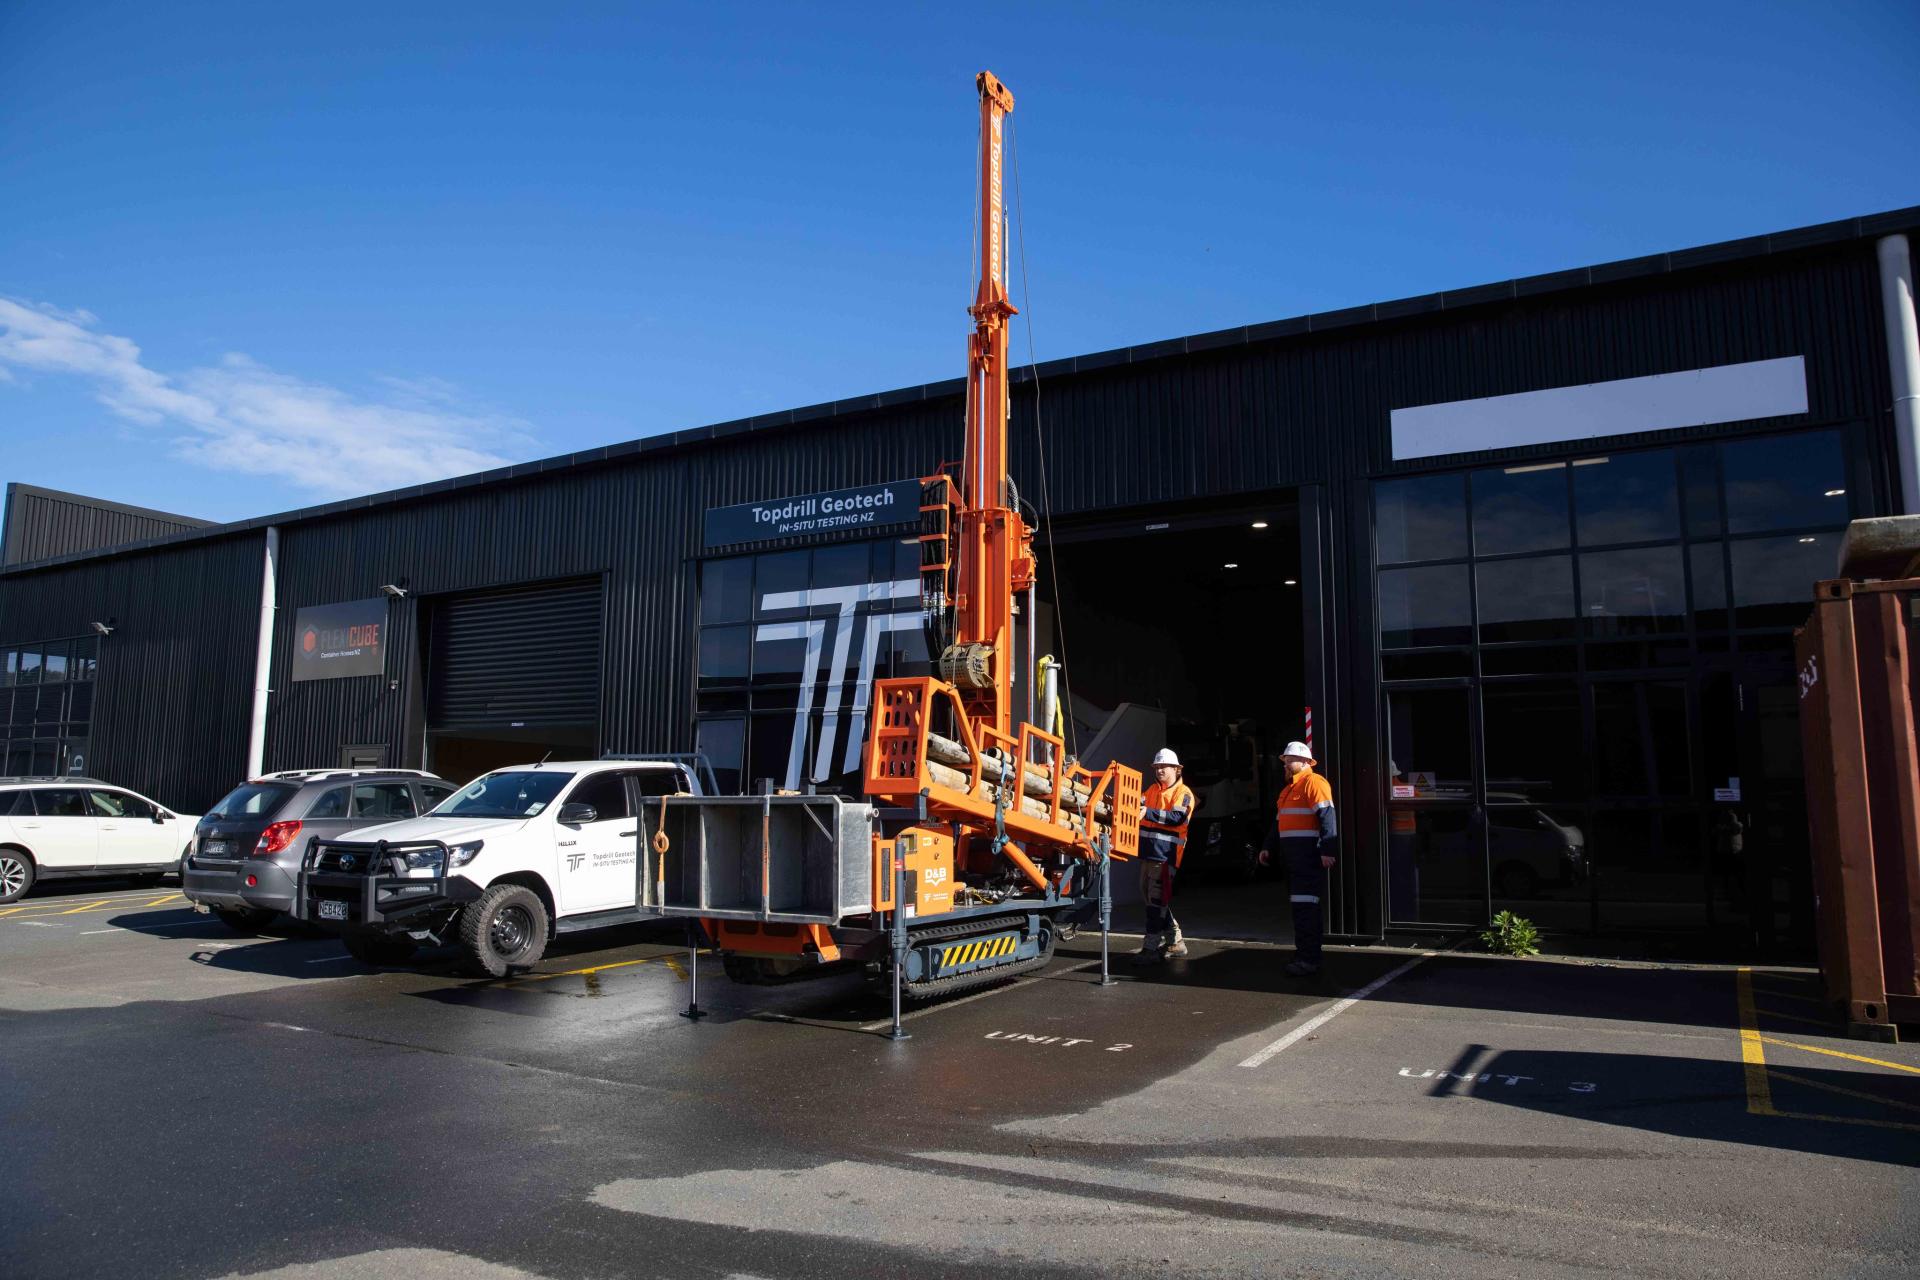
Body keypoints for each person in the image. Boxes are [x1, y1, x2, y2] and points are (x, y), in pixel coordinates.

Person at [1260, 740, 1337, 976]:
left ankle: (1309, 959)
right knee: (1300, 909)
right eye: (1284, 760)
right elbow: (1278, 824)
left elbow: (1327, 817)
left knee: (1306, 909)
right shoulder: (1287, 790)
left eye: (1289, 760)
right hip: (1292, 860)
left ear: (1304, 761)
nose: (1285, 764)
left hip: (1307, 858)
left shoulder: (1314, 783)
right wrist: (1267, 847)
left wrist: (1327, 850)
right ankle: (1304, 955)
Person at [1137, 746, 1194, 961]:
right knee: (1153, 899)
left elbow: (1176, 818)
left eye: (1165, 766)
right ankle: (1175, 942)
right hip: (1149, 854)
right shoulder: (1151, 790)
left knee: (1155, 902)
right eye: (1157, 766)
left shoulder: (1183, 793)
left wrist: (1147, 812)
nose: (1160, 770)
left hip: (1165, 856)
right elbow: (1136, 805)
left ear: (1176, 769)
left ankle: (1150, 949)